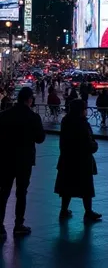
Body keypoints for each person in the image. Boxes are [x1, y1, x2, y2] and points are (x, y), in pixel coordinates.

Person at [0, 86, 45, 237]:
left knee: (3, 192)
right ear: (29, 100)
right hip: (25, 160)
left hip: (6, 159)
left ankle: (0, 226)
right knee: (22, 192)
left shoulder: (4, 115)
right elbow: (40, 139)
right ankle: (19, 224)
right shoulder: (33, 117)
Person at [54, 99, 101, 223]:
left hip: (67, 159)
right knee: (86, 187)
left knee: (67, 186)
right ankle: (88, 211)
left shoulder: (66, 121)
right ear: (81, 110)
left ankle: (64, 209)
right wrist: (94, 146)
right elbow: (87, 143)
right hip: (82, 161)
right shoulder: (82, 124)